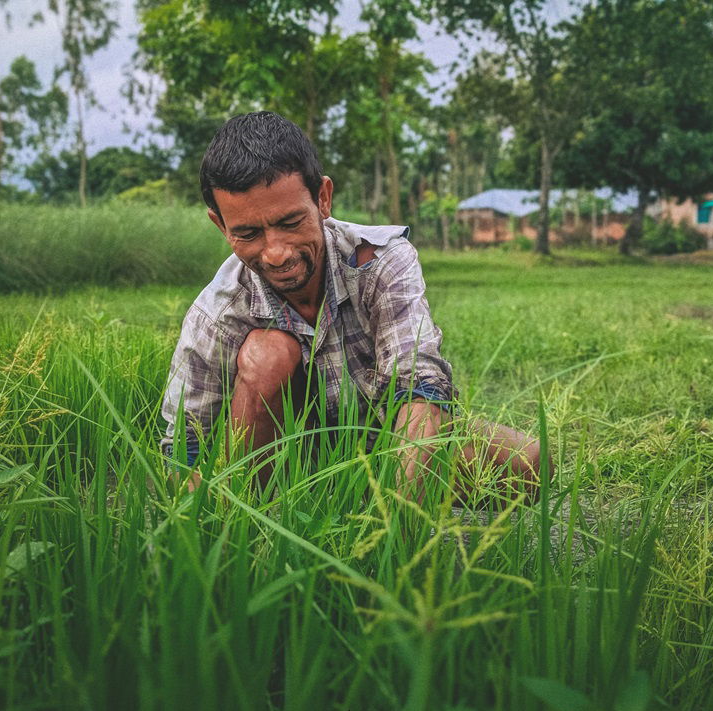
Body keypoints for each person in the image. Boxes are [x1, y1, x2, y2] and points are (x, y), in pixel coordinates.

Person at [160, 111, 540, 501]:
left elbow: (418, 386)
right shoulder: (219, 312)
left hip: (386, 448)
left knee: (529, 461)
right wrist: (213, 513)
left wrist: (395, 532)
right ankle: (272, 510)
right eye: (248, 233)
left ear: (323, 198)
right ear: (221, 226)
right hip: (281, 470)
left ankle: (368, 500)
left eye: (291, 223)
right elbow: (185, 450)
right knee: (268, 354)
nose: (275, 254)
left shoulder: (381, 261)